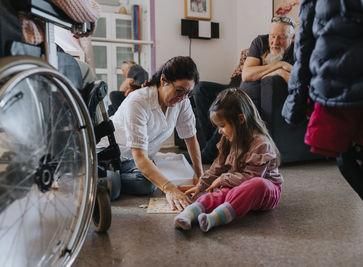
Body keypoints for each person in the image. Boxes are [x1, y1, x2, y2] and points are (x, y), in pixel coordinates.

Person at [282, 0, 363, 209]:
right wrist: (296, 99)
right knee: (348, 160)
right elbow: (305, 39)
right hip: (337, 87)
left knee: (352, 159)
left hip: (349, 84)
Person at [174, 88, 283, 232]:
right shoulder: (229, 139)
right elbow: (217, 167)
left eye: (222, 126)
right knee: (221, 193)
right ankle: (189, 213)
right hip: (237, 185)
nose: (219, 131)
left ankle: (215, 218)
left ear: (240, 119)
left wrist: (222, 179)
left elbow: (252, 177)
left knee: (257, 184)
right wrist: (201, 184)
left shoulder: (261, 144)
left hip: (265, 193)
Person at [193, 15, 296, 164]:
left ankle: (208, 154)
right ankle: (215, 147)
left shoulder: (298, 51)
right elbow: (246, 75)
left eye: (281, 38)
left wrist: (275, 73)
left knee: (234, 106)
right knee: (200, 88)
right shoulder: (260, 41)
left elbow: (295, 80)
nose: (274, 42)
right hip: (236, 87)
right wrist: (280, 67)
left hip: (252, 98)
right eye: (272, 36)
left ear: (292, 38)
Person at [110, 56, 204, 211]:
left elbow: (190, 138)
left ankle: (114, 178)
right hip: (115, 155)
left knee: (179, 166)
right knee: (146, 183)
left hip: (137, 159)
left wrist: (201, 177)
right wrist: (170, 189)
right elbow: (139, 157)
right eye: (179, 90)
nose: (182, 98)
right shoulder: (138, 101)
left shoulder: (182, 101)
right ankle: (105, 175)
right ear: (164, 80)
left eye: (188, 93)